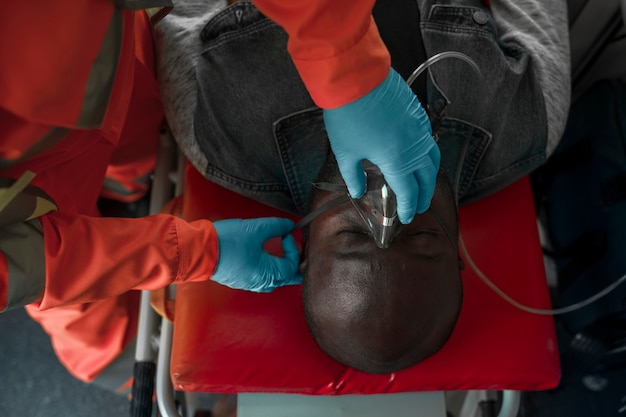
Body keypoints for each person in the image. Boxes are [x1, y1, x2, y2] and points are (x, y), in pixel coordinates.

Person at [155, 0, 570, 373]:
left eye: (354, 233)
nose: (386, 207)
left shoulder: (224, 138)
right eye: (421, 235)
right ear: (459, 251)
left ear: (305, 248)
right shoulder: (526, 124)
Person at [0, 1, 300, 392]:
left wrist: (346, 67)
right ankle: (117, 358)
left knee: (137, 135)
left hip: (111, 57)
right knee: (80, 305)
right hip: (28, 196)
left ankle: (127, 186)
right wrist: (198, 252)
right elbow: (30, 263)